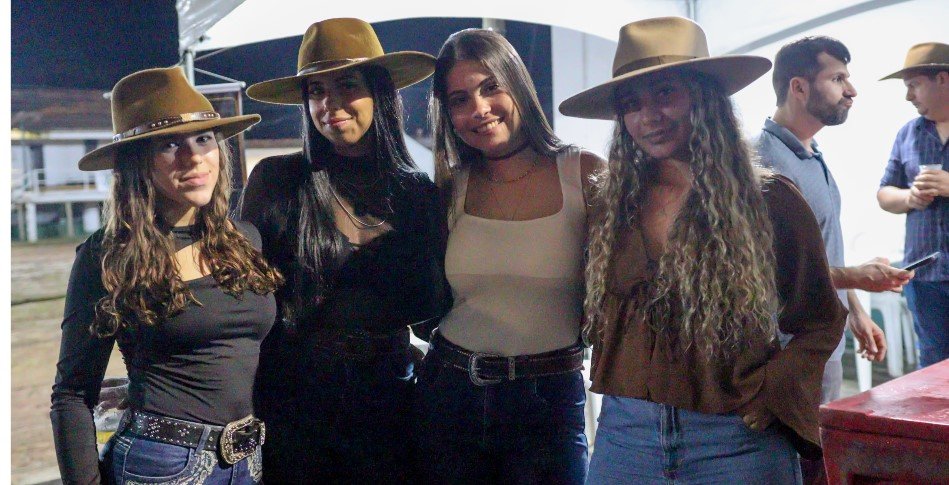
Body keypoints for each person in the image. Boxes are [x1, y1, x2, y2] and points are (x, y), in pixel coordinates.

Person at [559, 17, 847, 483]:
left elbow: (820, 319)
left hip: (735, 441)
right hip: (626, 438)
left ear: (704, 96)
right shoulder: (609, 205)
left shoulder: (768, 200)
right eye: (631, 104)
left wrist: (773, 392)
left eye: (665, 94)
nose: (649, 116)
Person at [240, 18, 450, 483]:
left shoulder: (417, 193)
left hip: (389, 410)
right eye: (316, 91)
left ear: (380, 93)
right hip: (293, 411)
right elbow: (242, 298)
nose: (329, 104)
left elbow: (432, 312)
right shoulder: (276, 181)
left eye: (347, 85)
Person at [50, 66, 282, 484]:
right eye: (170, 144)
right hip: (161, 466)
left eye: (203, 139)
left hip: (249, 463)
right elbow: (71, 394)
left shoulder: (245, 239)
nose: (194, 157)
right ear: (137, 163)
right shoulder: (108, 256)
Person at [416, 28, 604, 483]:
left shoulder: (584, 174)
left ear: (517, 84)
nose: (479, 109)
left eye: (490, 87)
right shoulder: (450, 186)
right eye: (460, 99)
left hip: (549, 401)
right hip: (451, 393)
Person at [756, 36, 914, 402]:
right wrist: (856, 276)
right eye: (838, 79)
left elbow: (825, 248)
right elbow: (768, 271)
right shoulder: (764, 163)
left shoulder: (812, 154)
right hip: (787, 355)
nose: (851, 90)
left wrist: (853, 310)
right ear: (799, 88)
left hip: (824, 347)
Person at [878, 42, 949, 368]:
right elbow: (884, 193)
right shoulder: (907, 134)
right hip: (924, 275)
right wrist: (909, 198)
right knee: (932, 368)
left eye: (914, 85)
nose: (908, 96)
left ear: (942, 80)